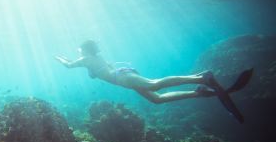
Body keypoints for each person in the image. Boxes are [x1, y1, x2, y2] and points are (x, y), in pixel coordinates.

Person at [55, 40, 219, 104]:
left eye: (79, 50)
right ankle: (198, 93)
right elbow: (96, 71)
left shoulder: (86, 59)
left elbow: (69, 66)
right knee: (157, 99)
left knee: (155, 85)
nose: (78, 53)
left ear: (84, 50)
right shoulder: (94, 59)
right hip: (123, 76)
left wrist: (60, 58)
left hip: (122, 77)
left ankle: (201, 78)